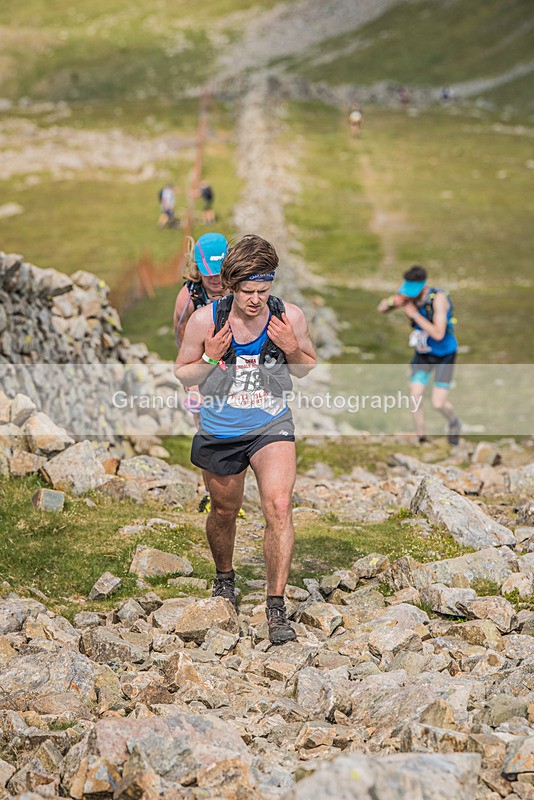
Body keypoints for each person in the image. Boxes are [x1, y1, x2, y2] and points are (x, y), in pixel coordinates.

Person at [174, 234, 316, 644]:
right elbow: (182, 373)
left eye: (263, 290)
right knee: (224, 511)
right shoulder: (206, 320)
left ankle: (276, 605)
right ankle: (225, 577)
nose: (255, 300)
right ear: (231, 285)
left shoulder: (289, 317)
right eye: (248, 291)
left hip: (271, 423)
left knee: (279, 504)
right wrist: (207, 357)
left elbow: (306, 367)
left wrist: (291, 348)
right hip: (220, 429)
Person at [377, 265, 461, 445]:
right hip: (423, 355)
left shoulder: (438, 299)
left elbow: (438, 333)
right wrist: (394, 302)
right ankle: (422, 439)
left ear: (423, 287)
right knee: (414, 397)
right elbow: (381, 308)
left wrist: (414, 315)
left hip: (444, 355)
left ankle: (454, 422)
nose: (409, 295)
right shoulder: (408, 297)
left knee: (438, 403)